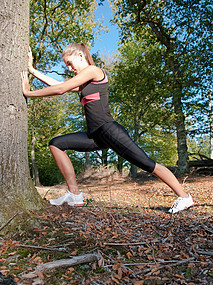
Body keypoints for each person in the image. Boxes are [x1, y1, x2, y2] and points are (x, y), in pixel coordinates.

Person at [21, 43, 194, 213]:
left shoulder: (94, 71)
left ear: (80, 56)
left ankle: (184, 197)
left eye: (70, 63)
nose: (70, 68)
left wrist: (29, 93)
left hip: (110, 131)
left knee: (148, 164)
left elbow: (61, 89)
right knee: (56, 143)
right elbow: (58, 84)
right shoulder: (83, 83)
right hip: (95, 136)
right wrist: (32, 70)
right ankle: (74, 194)